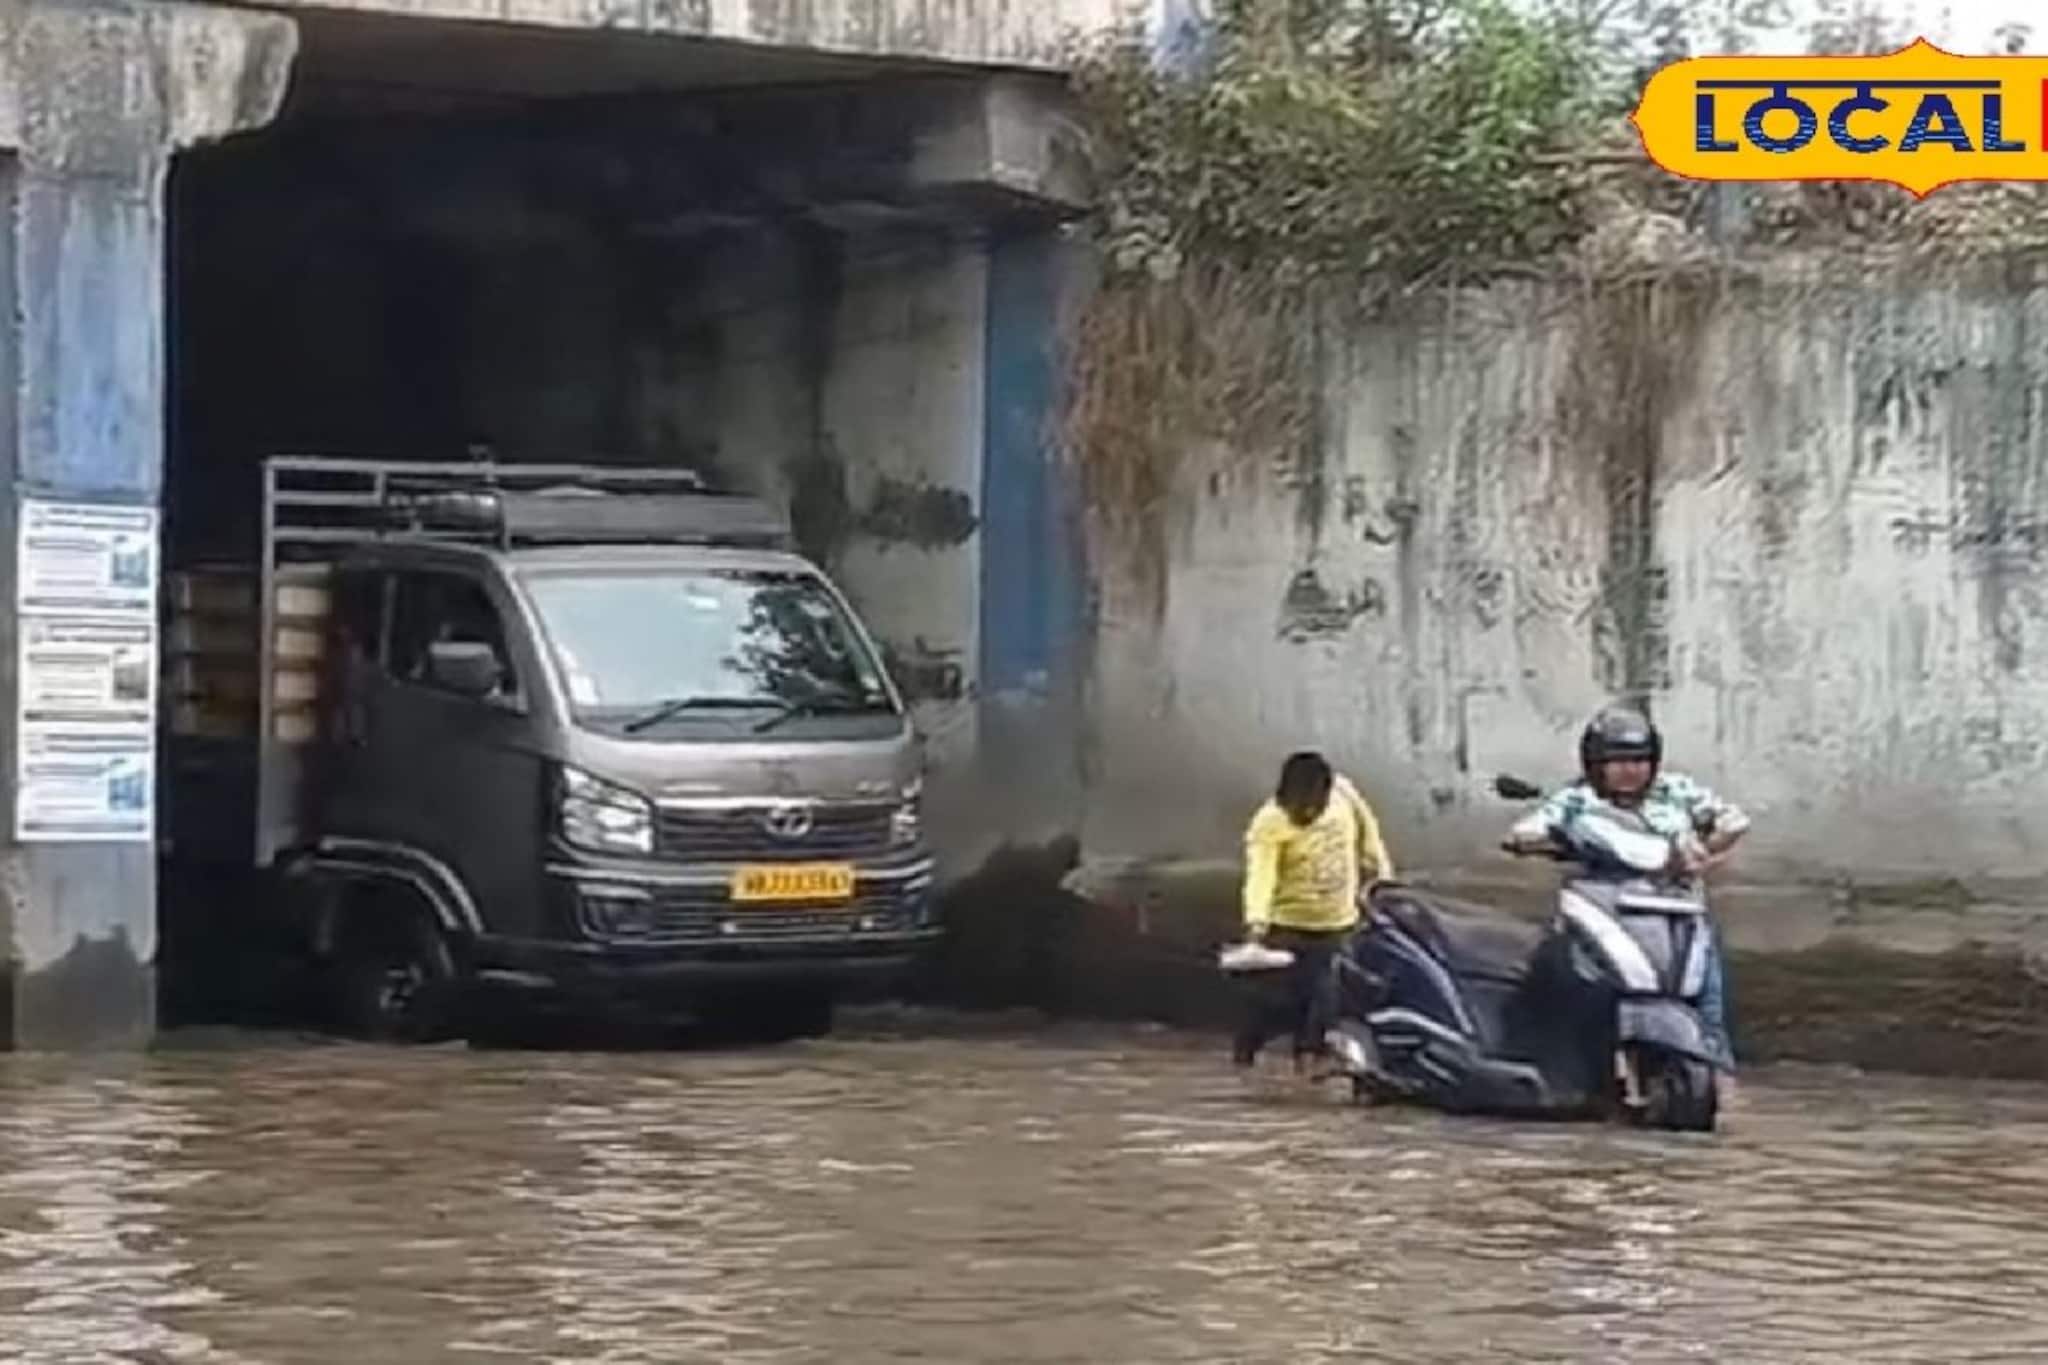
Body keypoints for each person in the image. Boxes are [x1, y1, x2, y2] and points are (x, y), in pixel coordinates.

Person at [1500, 703, 1749, 1068]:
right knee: (1553, 965)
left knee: (1708, 983)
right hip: (1602, 903)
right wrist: (1541, 841)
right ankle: (1537, 1055)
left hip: (1674, 905)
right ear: (1595, 764)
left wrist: (1703, 849)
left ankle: (1718, 1063)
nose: (1630, 770)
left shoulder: (1675, 790)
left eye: (1639, 760)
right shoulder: (1577, 800)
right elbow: (1524, 831)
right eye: (1617, 761)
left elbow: (1733, 820)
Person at [1234, 751, 1396, 1076]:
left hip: (1337, 922)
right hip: (1287, 926)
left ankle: (1307, 1066)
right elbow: (1261, 875)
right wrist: (1256, 924)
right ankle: (1246, 1055)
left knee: (1325, 999)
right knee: (1275, 1003)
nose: (1308, 812)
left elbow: (1369, 836)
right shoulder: (1269, 823)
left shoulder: (1345, 795)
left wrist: (1383, 878)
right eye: (1300, 807)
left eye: (1315, 805)